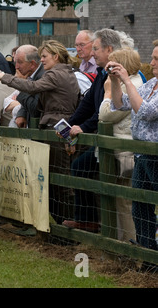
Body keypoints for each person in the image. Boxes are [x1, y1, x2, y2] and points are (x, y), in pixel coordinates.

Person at [0, 40, 80, 224]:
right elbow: (39, 101)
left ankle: (66, 223)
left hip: (56, 128)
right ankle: (62, 223)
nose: (42, 60)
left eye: (45, 56)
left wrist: (4, 77)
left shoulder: (55, 73)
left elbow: (32, 88)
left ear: (55, 56)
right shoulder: (65, 72)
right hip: (59, 126)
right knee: (56, 178)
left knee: (59, 180)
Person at [63, 28, 123, 233]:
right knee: (82, 168)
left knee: (84, 169)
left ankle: (96, 223)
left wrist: (83, 127)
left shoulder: (115, 74)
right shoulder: (101, 73)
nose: (93, 53)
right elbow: (88, 104)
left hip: (116, 139)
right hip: (102, 136)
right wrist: (70, 124)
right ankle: (89, 220)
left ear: (109, 49)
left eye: (96, 48)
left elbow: (107, 111)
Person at [107, 39, 158, 254]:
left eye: (156, 59)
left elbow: (146, 112)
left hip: (155, 155)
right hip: (141, 154)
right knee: (139, 206)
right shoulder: (150, 85)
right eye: (153, 57)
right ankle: (148, 253)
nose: (152, 62)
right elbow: (120, 104)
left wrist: (127, 79)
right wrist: (115, 80)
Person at [99, 47, 144, 242]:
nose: (108, 68)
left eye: (112, 63)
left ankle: (131, 246)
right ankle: (122, 243)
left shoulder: (132, 85)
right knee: (120, 199)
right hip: (121, 149)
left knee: (125, 201)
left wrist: (108, 92)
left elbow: (106, 115)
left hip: (125, 151)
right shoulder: (131, 82)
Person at [10, 45, 45, 128]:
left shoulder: (43, 77)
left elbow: (35, 109)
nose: (16, 67)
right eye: (15, 62)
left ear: (32, 64)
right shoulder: (31, 74)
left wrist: (21, 85)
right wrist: (21, 114)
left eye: (20, 62)